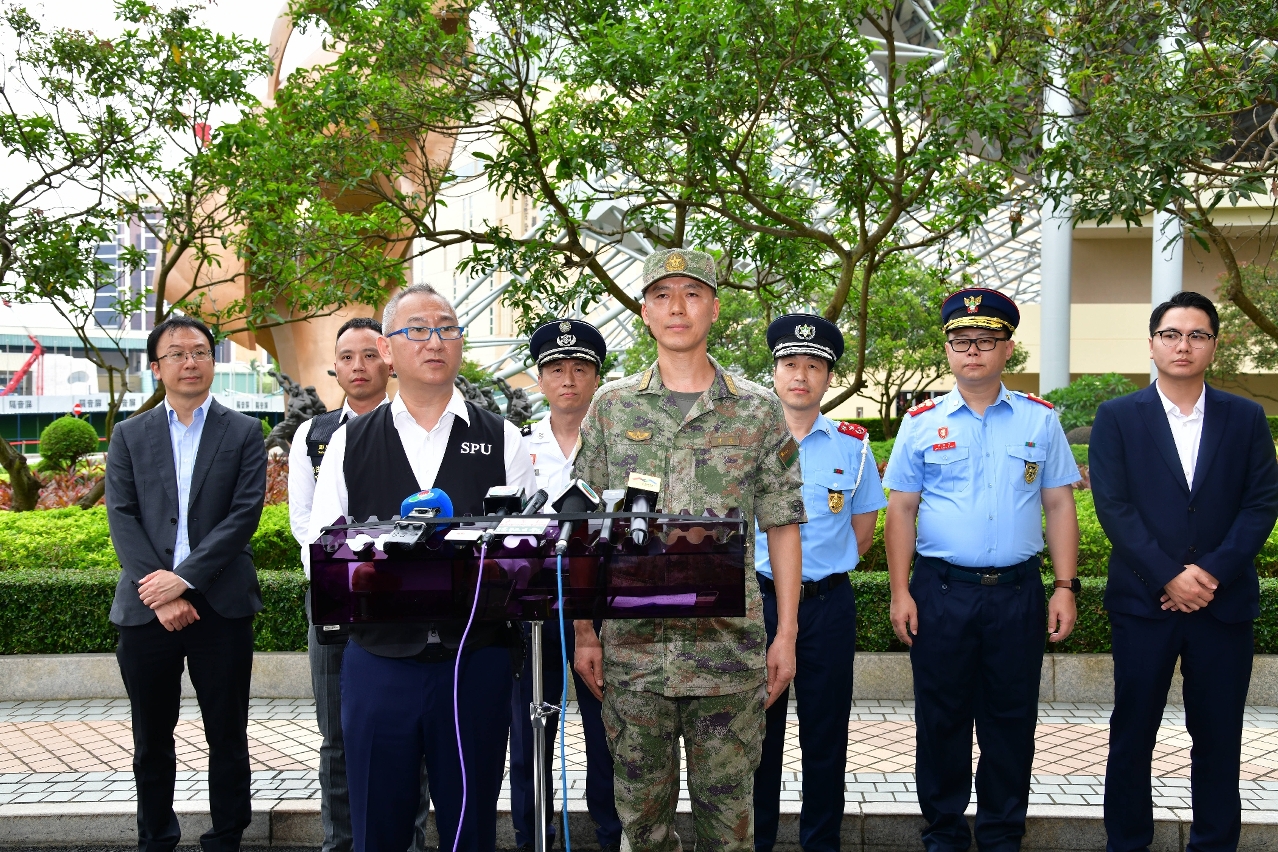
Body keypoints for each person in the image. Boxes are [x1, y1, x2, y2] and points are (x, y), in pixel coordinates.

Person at [572, 248, 806, 852]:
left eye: (692, 293)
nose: (677, 307)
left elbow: (783, 525)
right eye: (662, 295)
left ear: (715, 309)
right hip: (634, 657)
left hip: (729, 654)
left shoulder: (757, 409)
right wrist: (585, 633)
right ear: (644, 312)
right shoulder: (611, 407)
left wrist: (785, 636)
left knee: (729, 831)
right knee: (643, 828)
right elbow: (584, 526)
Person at [308, 283, 536, 852]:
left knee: (471, 827)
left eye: (447, 328)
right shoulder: (348, 443)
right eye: (417, 330)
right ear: (387, 348)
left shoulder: (501, 437)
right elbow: (323, 549)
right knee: (378, 827)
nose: (435, 341)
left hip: (475, 660)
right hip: (379, 662)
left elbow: (525, 552)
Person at [882, 287, 1081, 852]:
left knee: (1011, 720)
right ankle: (943, 834)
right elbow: (901, 510)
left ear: (1007, 349)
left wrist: (1064, 587)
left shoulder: (1040, 420)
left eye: (986, 341)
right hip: (942, 592)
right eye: (962, 341)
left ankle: (1001, 835)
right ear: (948, 349)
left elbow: (1059, 504)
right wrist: (900, 591)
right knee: (940, 719)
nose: (973, 350)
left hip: (1018, 593)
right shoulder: (921, 423)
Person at [1091, 291, 1278, 852]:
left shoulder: (1245, 417)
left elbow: (1261, 503)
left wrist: (1209, 575)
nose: (1183, 345)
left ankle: (1214, 843)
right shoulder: (1118, 416)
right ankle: (1127, 843)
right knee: (1132, 735)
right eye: (1171, 334)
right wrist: (1169, 575)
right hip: (1143, 604)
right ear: (1151, 345)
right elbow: (1113, 506)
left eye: (1197, 335)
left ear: (1213, 347)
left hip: (1223, 606)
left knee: (1219, 738)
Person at [106, 315, 267, 852]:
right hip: (146, 608)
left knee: (227, 733)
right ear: (157, 367)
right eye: (176, 353)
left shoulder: (243, 431)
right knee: (151, 736)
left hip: (220, 607)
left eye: (199, 351)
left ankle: (226, 836)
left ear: (212, 361)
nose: (189, 361)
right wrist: (160, 591)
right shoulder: (129, 434)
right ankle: (155, 837)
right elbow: (122, 516)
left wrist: (184, 581)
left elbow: (243, 516)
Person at [288, 317, 434, 852]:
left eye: (369, 355)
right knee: (338, 737)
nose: (358, 366)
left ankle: (408, 840)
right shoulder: (314, 434)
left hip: (405, 604)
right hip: (337, 600)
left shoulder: (420, 430)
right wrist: (339, 579)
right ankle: (340, 842)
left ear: (388, 360)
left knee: (410, 735)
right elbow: (305, 523)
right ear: (334, 366)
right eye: (346, 357)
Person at [752, 315, 886, 852]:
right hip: (758, 603)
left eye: (814, 366)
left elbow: (863, 533)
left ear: (829, 377)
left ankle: (821, 842)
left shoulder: (854, 447)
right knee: (757, 735)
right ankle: (756, 841)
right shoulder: (747, 443)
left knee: (826, 735)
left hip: (827, 606)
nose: (801, 375)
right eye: (790, 364)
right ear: (774, 372)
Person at [510, 318, 622, 852]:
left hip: (605, 609)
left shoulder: (622, 447)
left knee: (609, 734)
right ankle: (534, 838)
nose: (569, 379)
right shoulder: (517, 448)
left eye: (580, 368)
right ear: (540, 379)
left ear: (597, 378)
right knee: (531, 737)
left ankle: (610, 836)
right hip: (536, 610)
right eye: (556, 369)